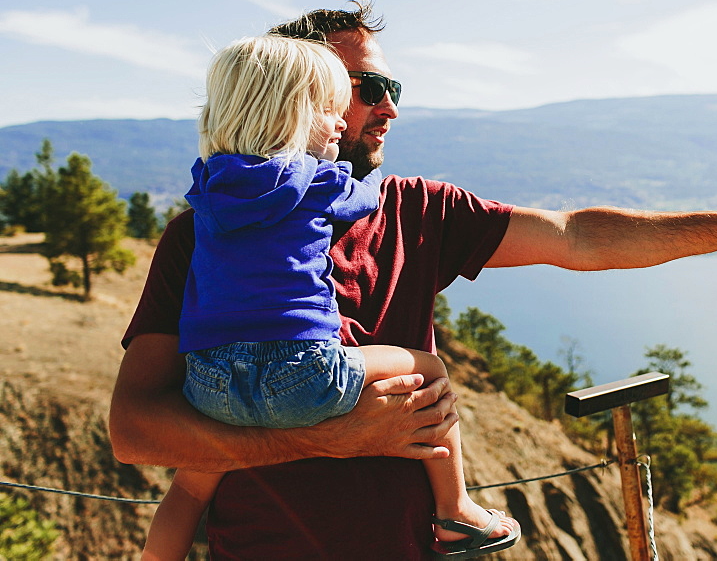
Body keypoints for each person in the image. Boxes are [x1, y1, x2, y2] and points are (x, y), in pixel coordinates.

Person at [110, 2, 717, 559]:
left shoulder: (418, 213)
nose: (387, 110)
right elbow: (136, 428)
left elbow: (578, 236)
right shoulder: (194, 242)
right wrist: (332, 436)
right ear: (302, 98)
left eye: (392, 91)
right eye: (363, 90)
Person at [140, 35, 519, 560]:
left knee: (187, 489)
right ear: (293, 113)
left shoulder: (206, 190)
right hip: (302, 369)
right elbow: (370, 196)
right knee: (428, 368)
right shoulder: (318, 181)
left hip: (214, 383)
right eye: (328, 110)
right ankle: (457, 513)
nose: (341, 123)